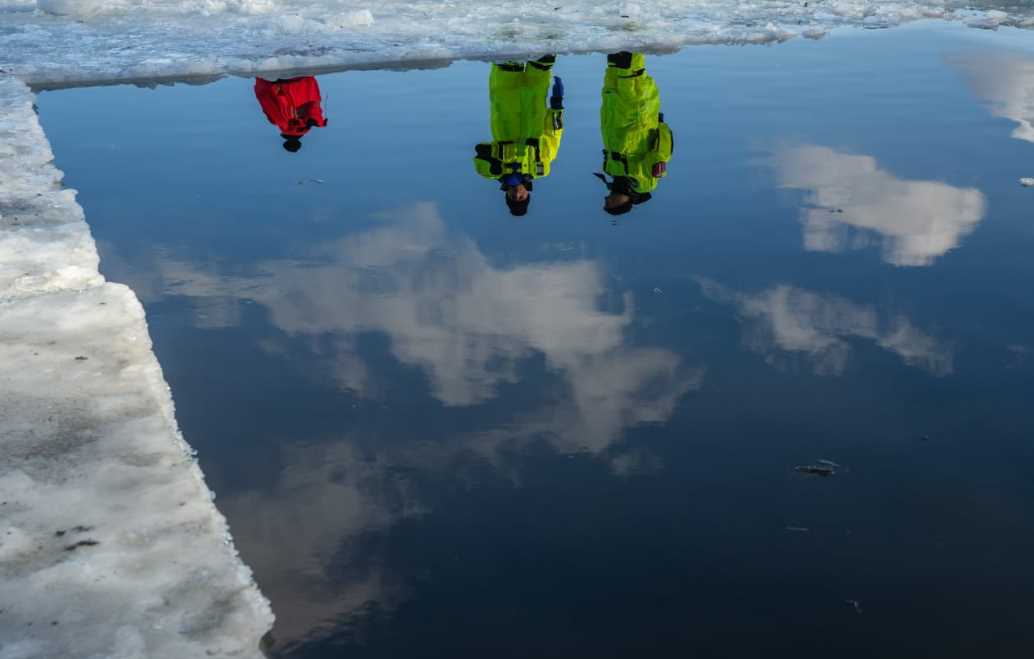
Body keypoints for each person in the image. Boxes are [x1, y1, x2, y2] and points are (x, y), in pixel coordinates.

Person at [473, 57, 565, 217]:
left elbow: (480, 153)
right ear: (527, 195)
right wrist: (557, 107)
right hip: (534, 111)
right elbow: (554, 135)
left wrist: (497, 169)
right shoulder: (542, 169)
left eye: (513, 198)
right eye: (521, 198)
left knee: (507, 65)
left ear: (506, 195)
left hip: (506, 114)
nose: (517, 195)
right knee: (541, 64)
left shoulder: (492, 173)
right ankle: (546, 38)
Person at [597, 52, 673, 216]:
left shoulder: (611, 172)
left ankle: (617, 32)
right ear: (625, 203)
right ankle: (634, 32)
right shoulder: (644, 183)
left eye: (606, 204)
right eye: (611, 205)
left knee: (613, 68)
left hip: (612, 114)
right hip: (635, 118)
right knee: (629, 69)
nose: (606, 200)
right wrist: (660, 126)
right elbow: (662, 153)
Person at [254, 76, 328, 153]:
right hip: (281, 83)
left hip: (304, 80)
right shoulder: (280, 122)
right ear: (286, 140)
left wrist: (315, 119)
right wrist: (269, 83)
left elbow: (315, 103)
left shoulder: (310, 121)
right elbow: (267, 101)